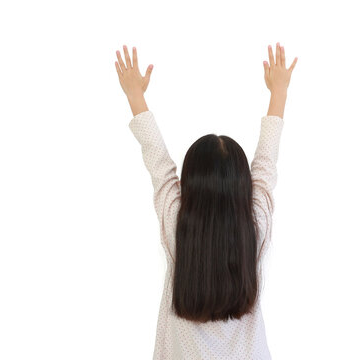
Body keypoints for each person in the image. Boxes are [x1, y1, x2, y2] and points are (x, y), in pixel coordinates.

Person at [115, 42, 297, 360]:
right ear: (243, 188)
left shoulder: (176, 222)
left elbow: (158, 161)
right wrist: (278, 92)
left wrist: (135, 95)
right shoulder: (256, 226)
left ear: (190, 184)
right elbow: (267, 164)